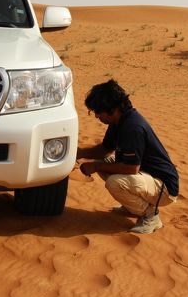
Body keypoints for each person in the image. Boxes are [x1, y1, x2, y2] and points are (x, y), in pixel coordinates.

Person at [76, 80, 179, 234]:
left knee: (115, 183)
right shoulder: (118, 121)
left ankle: (150, 216)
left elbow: (131, 168)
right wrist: (80, 152)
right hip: (146, 176)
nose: (97, 116)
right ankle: (133, 206)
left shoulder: (132, 127)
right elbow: (104, 151)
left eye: (98, 111)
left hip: (164, 188)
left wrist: (95, 166)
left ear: (112, 109)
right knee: (102, 162)